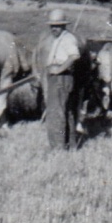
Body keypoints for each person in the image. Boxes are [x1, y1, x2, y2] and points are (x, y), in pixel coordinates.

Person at [44, 9, 81, 150]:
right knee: (66, 111)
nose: (54, 28)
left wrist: (59, 69)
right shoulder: (59, 39)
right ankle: (71, 145)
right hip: (58, 77)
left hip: (61, 78)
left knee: (56, 112)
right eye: (52, 26)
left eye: (57, 26)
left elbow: (74, 56)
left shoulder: (67, 38)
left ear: (64, 26)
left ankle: (58, 148)